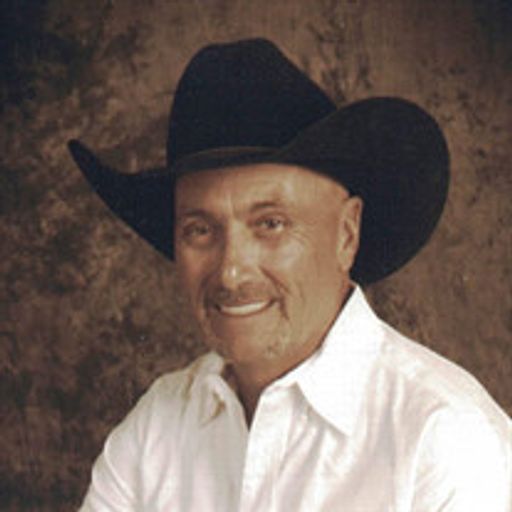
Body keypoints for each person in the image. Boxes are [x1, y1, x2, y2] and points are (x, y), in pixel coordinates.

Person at [69, 39, 511, 511]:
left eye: (271, 224)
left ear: (346, 234)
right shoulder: (156, 427)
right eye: (200, 229)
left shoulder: (447, 440)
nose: (231, 271)